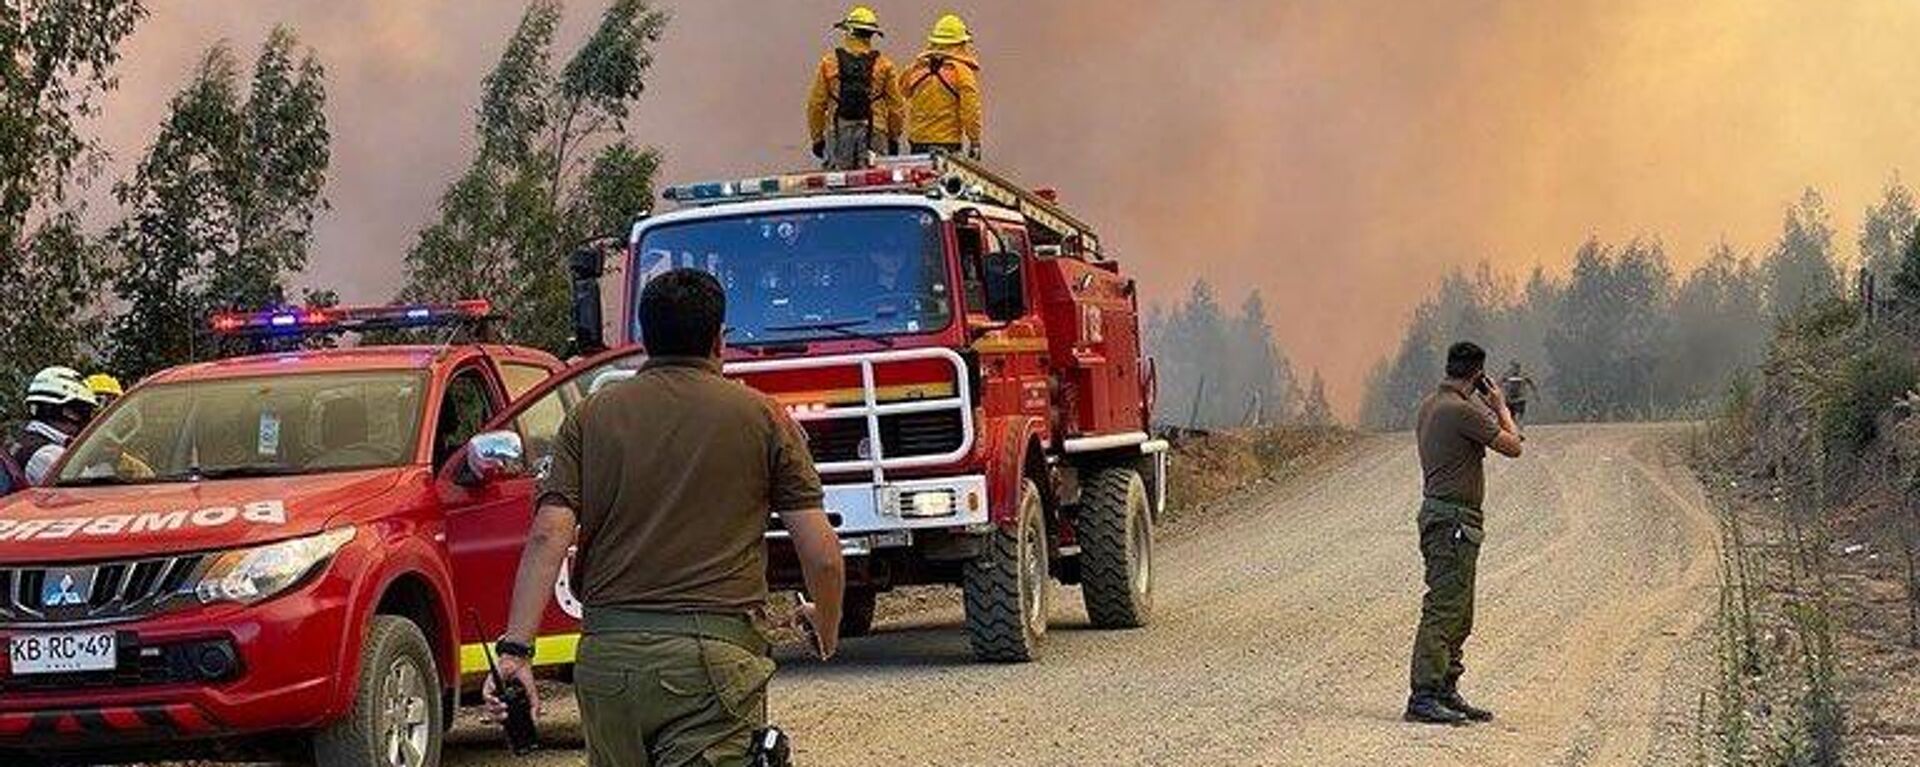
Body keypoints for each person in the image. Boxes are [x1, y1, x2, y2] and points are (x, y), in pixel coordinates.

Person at [487, 269, 846, 766]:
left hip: (609, 662)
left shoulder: (589, 417)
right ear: (719, 339)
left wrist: (516, 652)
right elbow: (822, 557)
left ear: (644, 338)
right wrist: (825, 626)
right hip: (711, 662)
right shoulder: (764, 418)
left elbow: (549, 535)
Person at [1405, 341, 1523, 726]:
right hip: (1453, 521)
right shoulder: (1462, 410)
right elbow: (1513, 446)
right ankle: (1424, 696)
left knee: (1460, 611)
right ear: (1479, 376)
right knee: (1444, 609)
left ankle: (1444, 689)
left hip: (1448, 519)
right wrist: (1501, 406)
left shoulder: (1431, 405)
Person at [807, 5, 906, 170]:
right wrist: (893, 138)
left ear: (848, 31)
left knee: (838, 184)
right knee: (876, 184)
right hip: (875, 131)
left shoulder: (829, 63)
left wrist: (817, 138)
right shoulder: (885, 65)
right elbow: (897, 108)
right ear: (871, 35)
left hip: (838, 131)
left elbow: (816, 105)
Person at [899, 13, 983, 158]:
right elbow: (970, 111)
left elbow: (902, 91)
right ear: (960, 43)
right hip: (948, 143)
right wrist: (974, 140)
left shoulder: (916, 69)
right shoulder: (962, 73)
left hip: (917, 142)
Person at [4, 366, 100, 485]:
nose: (87, 419)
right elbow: (93, 490)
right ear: (63, 411)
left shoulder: (23, 439)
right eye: (83, 410)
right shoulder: (48, 455)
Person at [1499, 361, 1537, 425]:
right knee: (1511, 414)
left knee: (1520, 413)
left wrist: (1535, 393)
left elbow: (1531, 383)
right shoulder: (1507, 375)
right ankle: (1514, 425)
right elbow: (1500, 382)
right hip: (1510, 399)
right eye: (1514, 367)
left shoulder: (1523, 375)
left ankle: (1519, 424)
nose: (1515, 369)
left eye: (1517, 367)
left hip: (1520, 398)